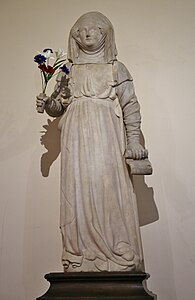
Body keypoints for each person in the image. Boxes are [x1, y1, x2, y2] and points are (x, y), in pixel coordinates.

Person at [36, 11, 148, 272]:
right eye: (82, 29)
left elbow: (131, 107)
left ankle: (117, 245)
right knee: (78, 190)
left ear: (105, 33)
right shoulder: (67, 71)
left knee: (109, 187)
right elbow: (59, 105)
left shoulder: (116, 69)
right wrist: (48, 104)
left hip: (107, 137)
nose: (87, 33)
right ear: (75, 34)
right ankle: (79, 251)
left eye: (94, 29)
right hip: (75, 139)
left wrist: (133, 141)